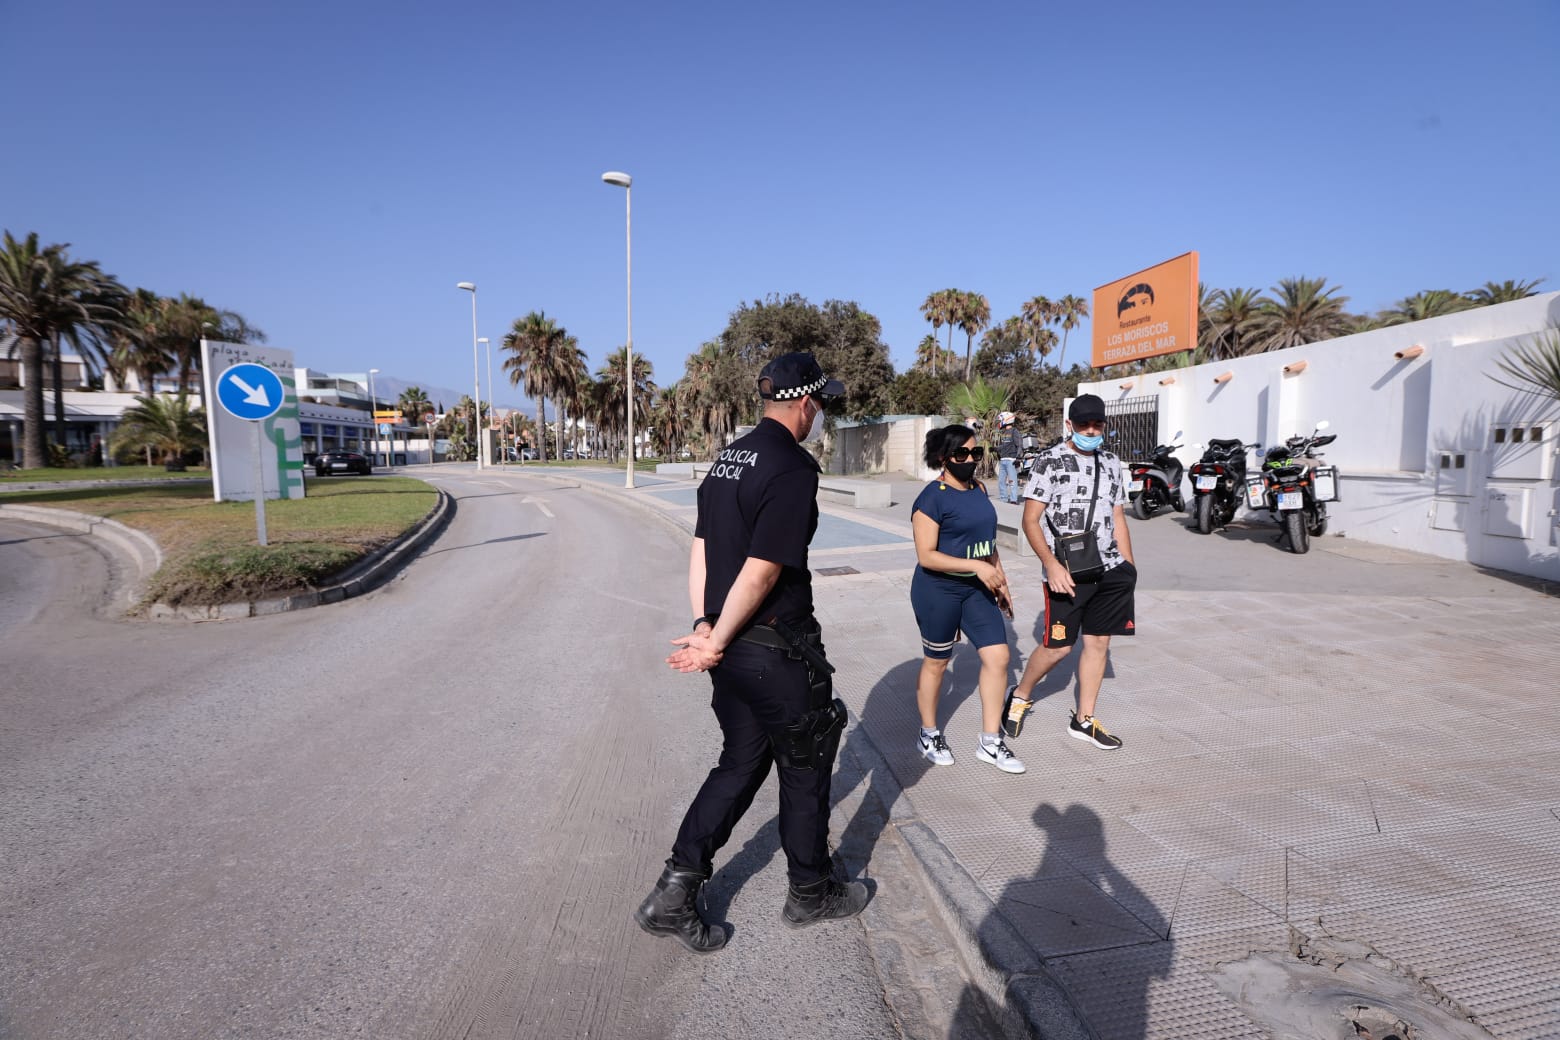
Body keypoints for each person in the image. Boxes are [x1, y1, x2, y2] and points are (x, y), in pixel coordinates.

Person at [635, 351, 869, 954]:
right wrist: (712, 636)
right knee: (807, 764)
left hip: (733, 651)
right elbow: (763, 569)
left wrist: (707, 626)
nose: (823, 415)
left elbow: (704, 547)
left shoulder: (728, 459)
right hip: (774, 651)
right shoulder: (791, 467)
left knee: (739, 762)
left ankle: (674, 891)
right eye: (824, 405)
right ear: (808, 403)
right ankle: (810, 892)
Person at [1001, 393, 1135, 751]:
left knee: (1099, 643)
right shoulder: (1050, 461)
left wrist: (1129, 566)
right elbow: (1030, 520)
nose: (1091, 430)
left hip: (1109, 569)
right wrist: (1050, 564)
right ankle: (1020, 695)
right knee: (1058, 648)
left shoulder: (1112, 463)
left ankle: (1084, 719)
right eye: (1083, 425)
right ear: (1069, 426)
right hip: (1067, 570)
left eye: (1097, 424)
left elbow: (1118, 516)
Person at [909, 424, 1024, 774]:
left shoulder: (979, 488)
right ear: (943, 458)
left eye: (976, 453)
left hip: (977, 589)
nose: (971, 460)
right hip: (937, 590)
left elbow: (987, 544)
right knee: (937, 663)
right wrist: (977, 567)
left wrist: (999, 579)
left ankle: (990, 742)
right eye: (962, 454)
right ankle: (928, 733)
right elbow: (927, 555)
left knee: (999, 657)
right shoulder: (931, 498)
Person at [995, 412, 1021, 504]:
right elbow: (1003, 446)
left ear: (1007, 420)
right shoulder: (1004, 432)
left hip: (1011, 460)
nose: (999, 422)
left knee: (1012, 481)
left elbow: (1019, 445)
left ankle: (1014, 499)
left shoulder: (1014, 431)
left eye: (1001, 420)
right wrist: (995, 449)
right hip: (1003, 460)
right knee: (1001, 481)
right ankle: (1004, 498)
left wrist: (1018, 458)